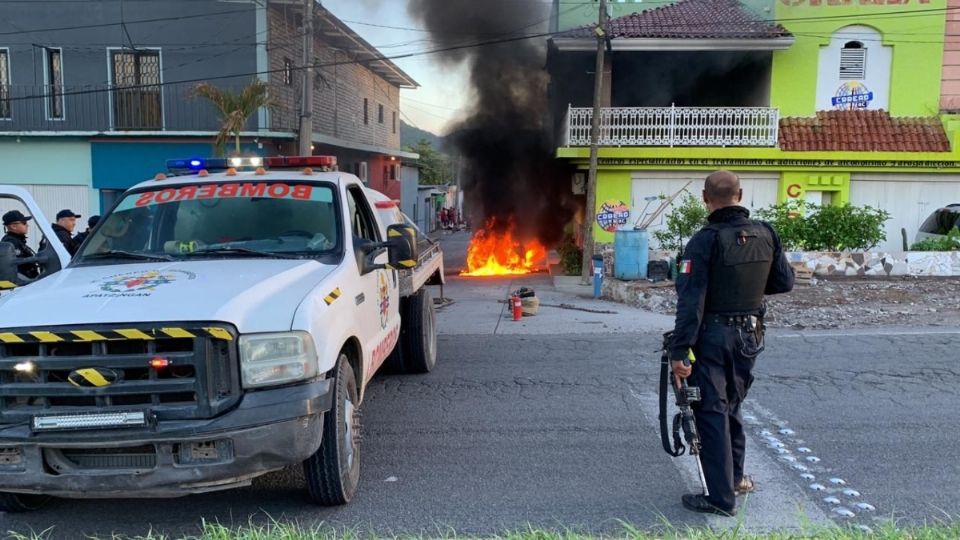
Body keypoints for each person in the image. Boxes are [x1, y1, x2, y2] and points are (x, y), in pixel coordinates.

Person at [669, 170, 795, 517]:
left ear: (705, 198)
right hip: (750, 336)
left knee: (710, 410)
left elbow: (691, 301)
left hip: (713, 336)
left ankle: (721, 498)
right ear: (740, 194)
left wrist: (680, 350)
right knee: (732, 406)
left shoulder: (704, 240)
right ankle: (735, 478)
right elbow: (784, 282)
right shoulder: (766, 233)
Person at [1, 210, 40, 279]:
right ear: (13, 226)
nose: (27, 225)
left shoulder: (18, 240)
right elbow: (18, 269)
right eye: (24, 223)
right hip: (24, 286)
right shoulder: (11, 242)